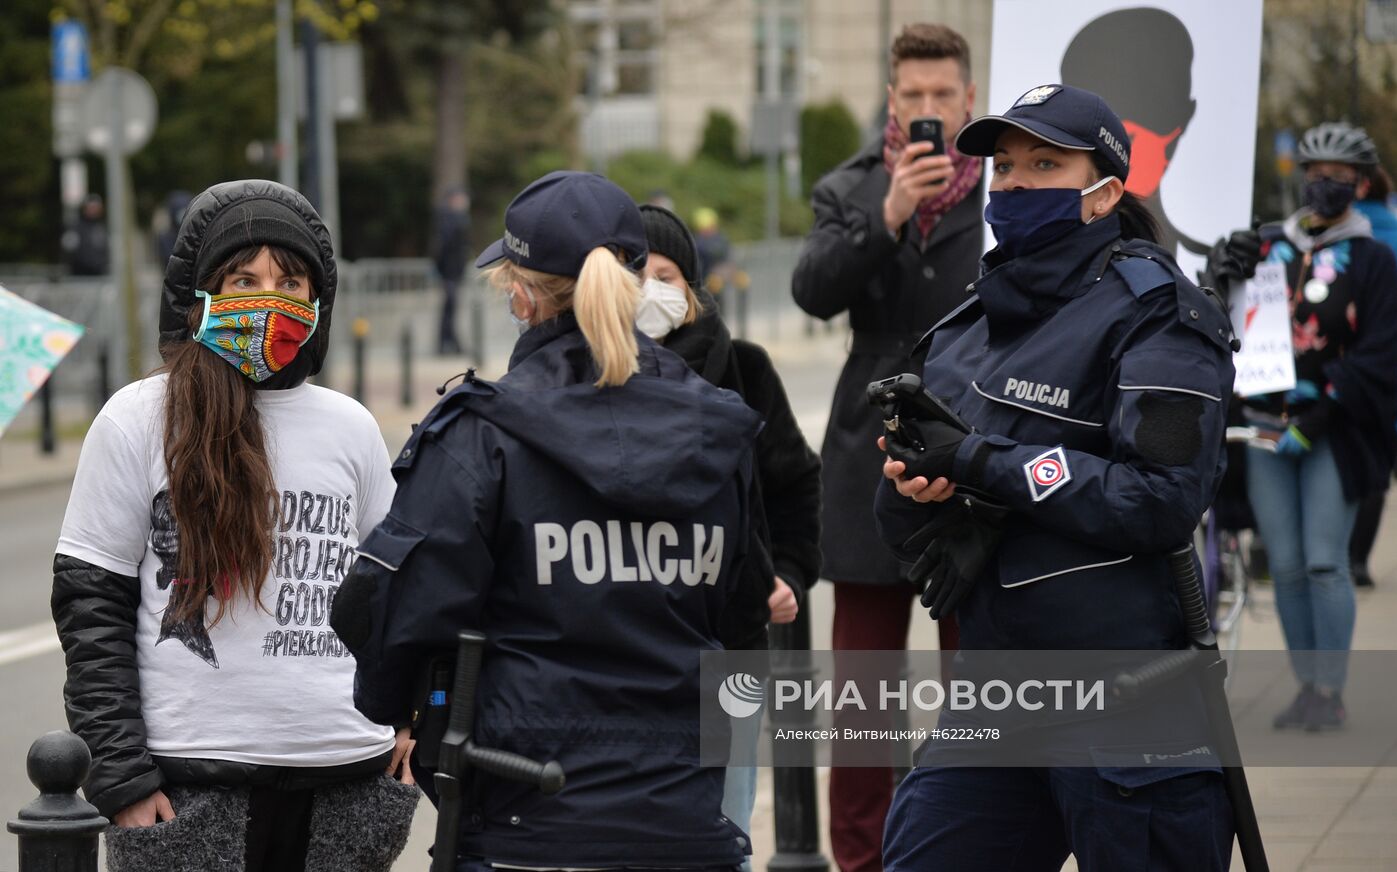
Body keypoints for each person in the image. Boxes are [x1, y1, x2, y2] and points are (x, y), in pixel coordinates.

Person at [330, 171, 766, 871]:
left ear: (522, 293)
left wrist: (404, 710)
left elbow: (390, 608)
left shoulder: (481, 434)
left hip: (525, 816)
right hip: (683, 817)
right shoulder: (718, 430)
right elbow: (742, 613)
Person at [874, 84, 1237, 870]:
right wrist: (919, 493)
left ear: (1104, 191)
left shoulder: (1163, 316)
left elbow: (1162, 501)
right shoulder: (969, 324)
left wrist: (982, 462)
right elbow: (901, 518)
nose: (1012, 183)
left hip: (1129, 697)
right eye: (1003, 166)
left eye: (1044, 164)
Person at [52, 180, 419, 872]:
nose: (268, 297)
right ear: (200, 295)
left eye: (289, 279)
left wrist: (406, 722)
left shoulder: (351, 426)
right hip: (190, 787)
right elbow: (90, 609)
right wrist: (123, 779)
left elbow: (396, 596)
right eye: (243, 279)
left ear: (318, 300)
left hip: (347, 784)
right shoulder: (137, 419)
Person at [789, 23, 984, 870]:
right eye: (915, 98)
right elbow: (812, 291)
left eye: (945, 96)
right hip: (869, 447)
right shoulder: (853, 186)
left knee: (971, 687)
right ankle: (860, 860)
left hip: (972, 443)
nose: (931, 110)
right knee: (865, 695)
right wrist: (891, 210)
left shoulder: (1005, 190)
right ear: (893, 102)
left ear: (969, 99)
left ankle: (968, 848)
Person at [638, 202, 822, 858]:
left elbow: (798, 485)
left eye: (665, 274)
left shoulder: (745, 369)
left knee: (723, 832)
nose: (649, 291)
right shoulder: (582, 378)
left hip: (729, 650)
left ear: (692, 286)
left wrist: (788, 572)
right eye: (632, 273)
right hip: (620, 657)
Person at [1207, 122, 1397, 730]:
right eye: (1314, 175)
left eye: (1338, 178)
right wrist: (1220, 269)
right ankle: (1305, 686)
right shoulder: (1269, 246)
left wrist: (1321, 416)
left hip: (1332, 432)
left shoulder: (1373, 259)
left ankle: (1330, 689)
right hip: (1264, 428)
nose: (1323, 186)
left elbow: (1381, 352)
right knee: (1284, 565)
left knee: (1324, 562)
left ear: (1360, 184)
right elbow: (1222, 316)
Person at [1060, 7, 1207, 258]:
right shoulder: (1030, 270)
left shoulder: (1206, 273)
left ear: (1187, 112)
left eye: (1155, 104)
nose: (1126, 133)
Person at [1348, 164, 1397, 588]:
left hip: (1343, 372)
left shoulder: (1347, 242)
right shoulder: (1394, 238)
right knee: (1377, 465)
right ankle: (1357, 559)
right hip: (1389, 374)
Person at [433, 186, 471, 355]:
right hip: (450, 271)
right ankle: (448, 344)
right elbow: (444, 248)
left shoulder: (448, 219)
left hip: (451, 271)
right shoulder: (453, 219)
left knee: (450, 309)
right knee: (449, 309)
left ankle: (450, 344)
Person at [66, 193, 110, 276]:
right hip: (80, 274)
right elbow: (69, 250)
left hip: (100, 274)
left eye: (96, 207)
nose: (93, 210)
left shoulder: (104, 227)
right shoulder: (75, 227)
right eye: (91, 207)